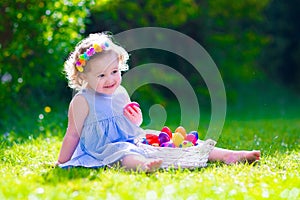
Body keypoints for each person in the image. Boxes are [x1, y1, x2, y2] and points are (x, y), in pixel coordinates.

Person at [56, 32, 260, 172]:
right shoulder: (82, 101)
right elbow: (72, 134)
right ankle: (142, 165)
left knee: (162, 136)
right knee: (123, 153)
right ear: (83, 77)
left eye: (115, 72)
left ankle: (227, 155)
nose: (111, 79)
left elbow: (130, 125)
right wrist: (62, 161)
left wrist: (136, 120)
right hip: (104, 148)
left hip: (130, 138)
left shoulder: (120, 92)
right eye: (101, 75)